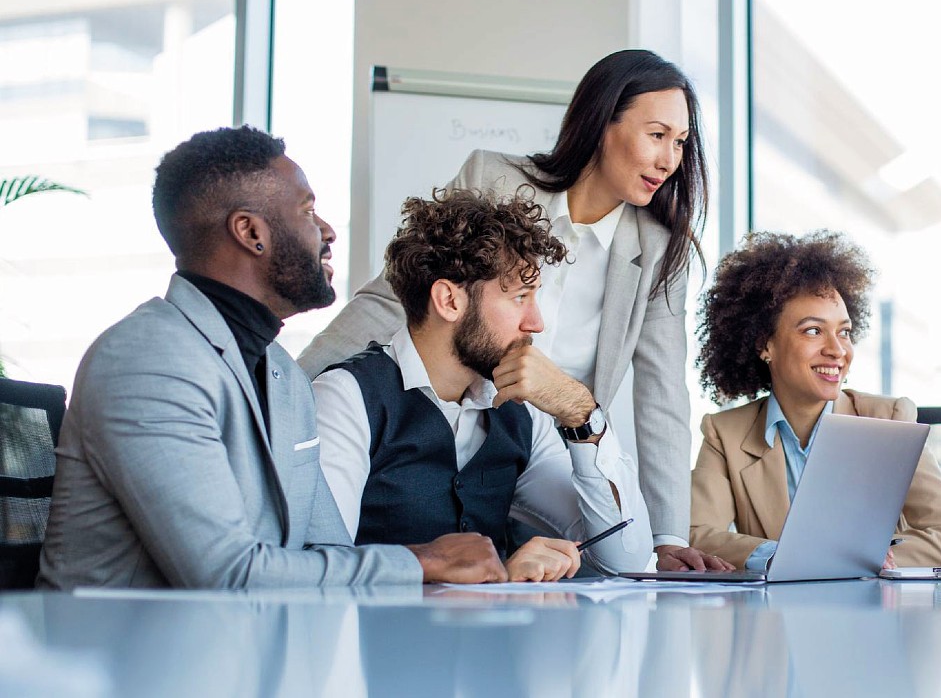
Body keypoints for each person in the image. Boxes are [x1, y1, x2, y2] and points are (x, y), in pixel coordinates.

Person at [38, 126, 509, 589]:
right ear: (251, 232)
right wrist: (423, 561)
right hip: (127, 658)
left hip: (240, 648)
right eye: (308, 212)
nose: (326, 231)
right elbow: (226, 574)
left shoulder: (282, 371)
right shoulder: (148, 361)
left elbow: (329, 551)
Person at [297, 49, 714, 570]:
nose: (670, 160)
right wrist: (290, 393)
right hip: (458, 419)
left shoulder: (657, 245)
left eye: (680, 143)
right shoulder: (494, 177)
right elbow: (396, 294)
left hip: (549, 447)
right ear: (602, 122)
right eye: (657, 135)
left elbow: (662, 394)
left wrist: (667, 537)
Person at [312, 189, 653, 580]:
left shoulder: (521, 415)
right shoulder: (345, 398)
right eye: (520, 298)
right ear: (449, 301)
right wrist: (500, 575)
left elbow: (626, 557)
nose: (536, 322)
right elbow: (322, 569)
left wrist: (580, 412)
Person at [689, 231, 941, 570]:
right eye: (813, 330)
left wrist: (859, 559)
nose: (837, 350)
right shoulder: (726, 433)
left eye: (844, 331)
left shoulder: (888, 419)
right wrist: (782, 555)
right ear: (764, 344)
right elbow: (697, 535)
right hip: (777, 617)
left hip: (871, 615)